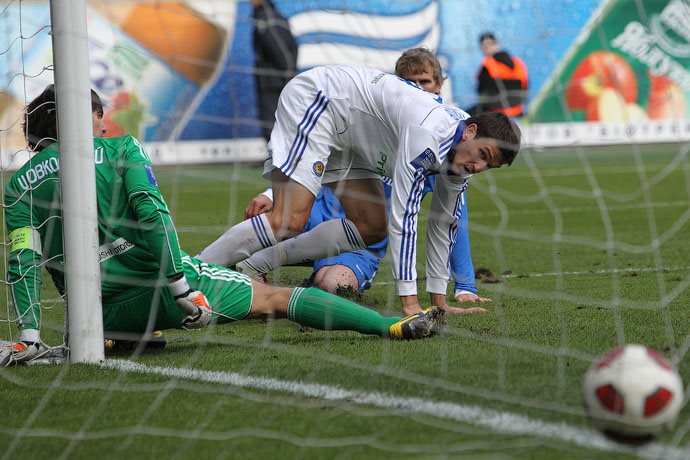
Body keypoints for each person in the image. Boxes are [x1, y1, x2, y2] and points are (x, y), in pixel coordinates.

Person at [0, 85, 446, 366]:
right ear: (81, 117)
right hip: (170, 292)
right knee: (275, 298)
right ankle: (390, 326)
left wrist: (29, 337)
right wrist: (181, 288)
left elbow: (22, 262)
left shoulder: (17, 185)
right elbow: (154, 217)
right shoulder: (122, 149)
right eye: (97, 117)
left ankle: (128, 335)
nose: (103, 125)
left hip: (95, 315)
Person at [196, 64, 521, 317]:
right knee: (289, 220)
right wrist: (410, 304)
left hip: (352, 135)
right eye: (482, 155)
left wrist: (439, 303)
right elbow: (405, 220)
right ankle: (188, 273)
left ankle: (251, 267)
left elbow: (443, 225)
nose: (479, 167)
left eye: (488, 165)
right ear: (470, 132)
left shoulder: (461, 156)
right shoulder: (427, 135)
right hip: (321, 99)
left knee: (371, 226)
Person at [252, 0, 298, 141]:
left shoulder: (266, 19)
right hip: (275, 81)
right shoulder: (273, 16)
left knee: (272, 125)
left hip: (273, 84)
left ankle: (278, 153)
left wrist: (288, 74)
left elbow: (280, 49)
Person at [469, 32, 528, 117]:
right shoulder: (518, 62)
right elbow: (525, 86)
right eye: (484, 47)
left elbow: (481, 92)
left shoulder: (487, 65)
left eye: (487, 46)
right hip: (517, 110)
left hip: (495, 113)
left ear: (496, 44)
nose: (486, 49)